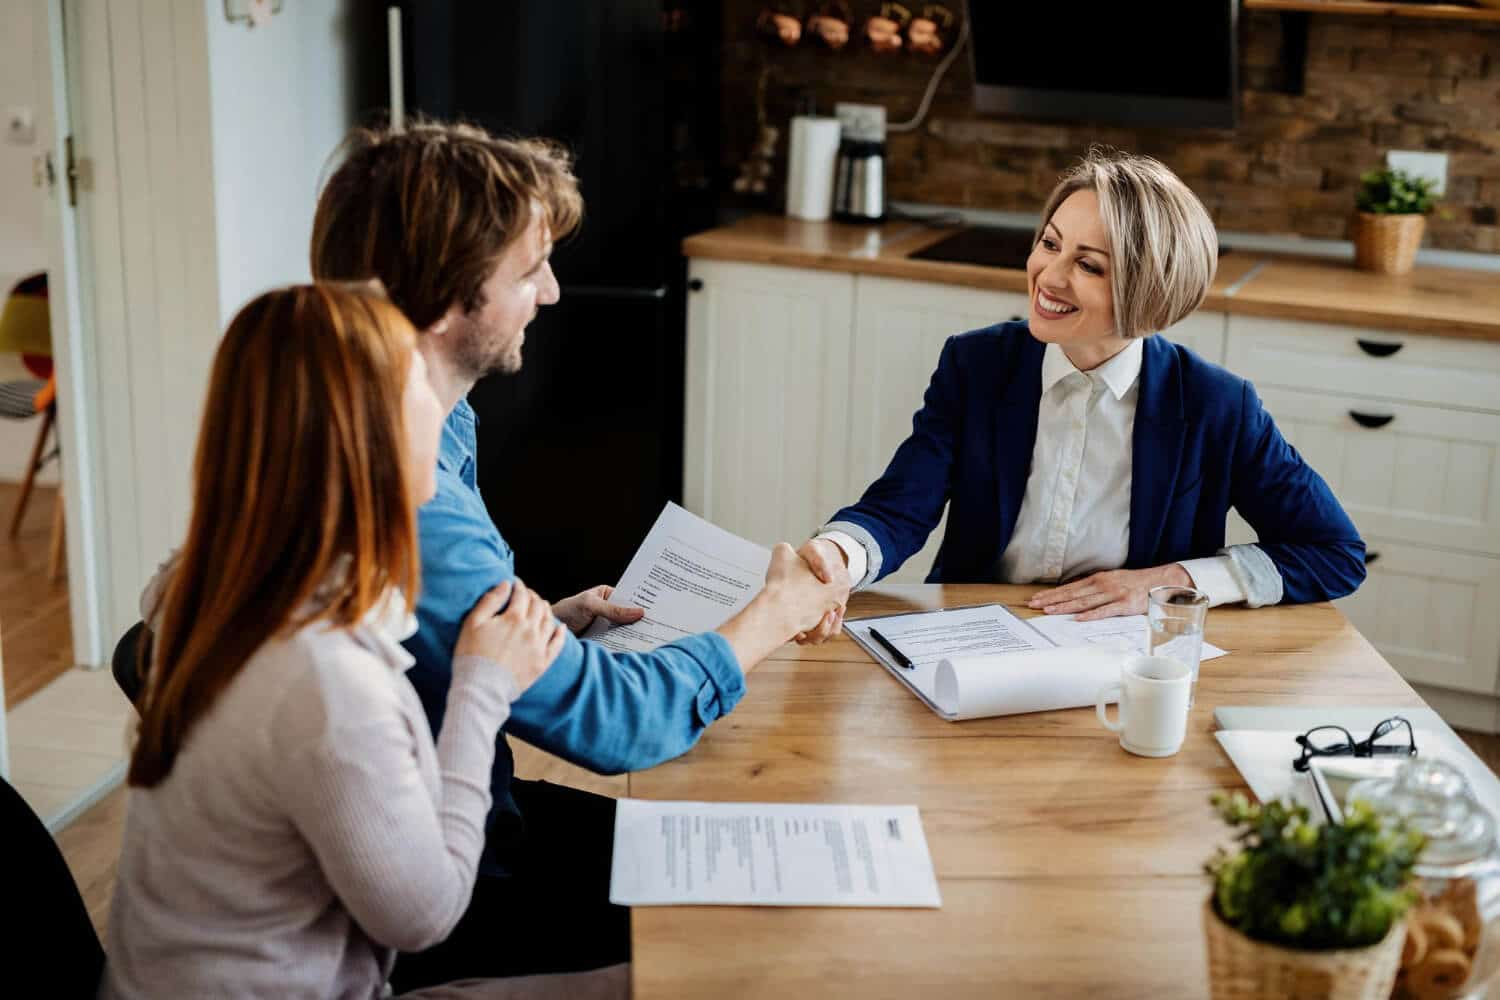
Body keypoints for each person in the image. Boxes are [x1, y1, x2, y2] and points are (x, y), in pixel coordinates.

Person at [308, 121, 848, 987]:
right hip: (448, 884)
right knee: (775, 919)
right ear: (449, 301)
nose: (552, 293)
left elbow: (424, 639)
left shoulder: (429, 420)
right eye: (529, 271)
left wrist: (545, 627)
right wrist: (771, 618)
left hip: (474, 810)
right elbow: (616, 727)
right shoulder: (412, 498)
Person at [100, 283, 600, 998]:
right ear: (373, 436)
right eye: (420, 381)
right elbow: (424, 916)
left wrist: (523, 635)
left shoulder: (215, 582)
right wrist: (480, 685)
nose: (443, 400)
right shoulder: (322, 676)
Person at [796, 148, 1365, 643]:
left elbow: (1334, 553)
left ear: (1150, 290)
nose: (1049, 275)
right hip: (971, 636)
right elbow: (899, 508)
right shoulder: (976, 365)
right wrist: (837, 559)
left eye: (1088, 265)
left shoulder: (1216, 405)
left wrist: (1176, 581)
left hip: (1127, 655)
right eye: (1050, 243)